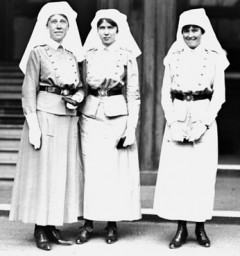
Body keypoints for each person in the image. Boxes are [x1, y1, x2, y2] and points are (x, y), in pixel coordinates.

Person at [9, 2, 85, 251]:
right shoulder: (38, 53)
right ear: (47, 26)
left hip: (68, 116)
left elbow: (80, 85)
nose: (60, 26)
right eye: (55, 22)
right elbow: (28, 89)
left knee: (61, 173)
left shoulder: (73, 55)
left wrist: (80, 96)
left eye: (63, 22)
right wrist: (33, 124)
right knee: (44, 174)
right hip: (44, 114)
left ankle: (52, 226)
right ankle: (39, 229)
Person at [153, 8, 229, 249]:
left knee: (201, 175)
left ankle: (200, 227)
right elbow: (165, 94)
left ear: (203, 31)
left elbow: (219, 96)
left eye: (194, 29)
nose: (190, 34)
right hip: (177, 116)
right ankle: (181, 228)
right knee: (178, 176)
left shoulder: (214, 57)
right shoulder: (173, 56)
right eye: (186, 29)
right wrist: (173, 122)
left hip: (202, 116)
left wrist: (205, 124)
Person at [76, 9, 142, 244]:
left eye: (110, 27)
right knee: (92, 170)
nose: (105, 32)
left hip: (116, 115)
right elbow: (81, 85)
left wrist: (131, 128)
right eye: (101, 27)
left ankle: (112, 224)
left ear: (118, 30)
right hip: (90, 115)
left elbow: (133, 94)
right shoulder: (88, 54)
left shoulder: (126, 55)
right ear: (97, 30)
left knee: (113, 171)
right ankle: (88, 223)